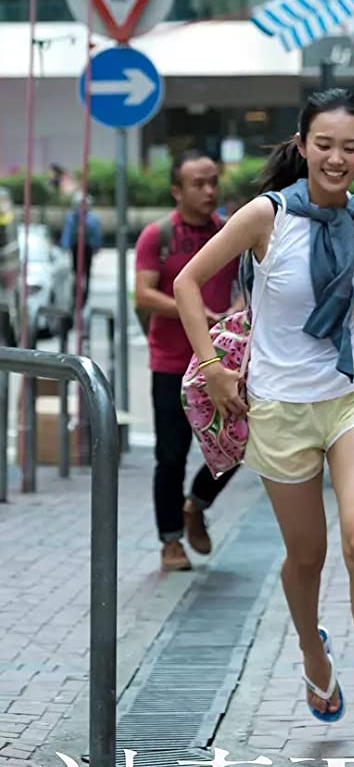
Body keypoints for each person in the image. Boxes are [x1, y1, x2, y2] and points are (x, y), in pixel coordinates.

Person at [173, 90, 354, 746]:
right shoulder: (266, 216)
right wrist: (212, 366)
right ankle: (313, 655)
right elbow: (187, 282)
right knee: (307, 553)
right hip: (278, 403)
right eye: (324, 144)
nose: (336, 157)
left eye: (350, 147)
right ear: (302, 145)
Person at [135, 152, 240, 574]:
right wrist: (193, 309)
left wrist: (232, 313)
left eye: (213, 181)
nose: (209, 191)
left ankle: (196, 504)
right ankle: (170, 542)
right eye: (198, 184)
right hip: (171, 362)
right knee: (171, 455)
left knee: (236, 445)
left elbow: (245, 285)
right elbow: (142, 294)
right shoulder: (157, 236)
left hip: (222, 364)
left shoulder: (230, 232)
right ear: (177, 190)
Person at [60, 193, 102, 306]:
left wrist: (96, 246)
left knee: (86, 271)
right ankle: (76, 293)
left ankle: (85, 295)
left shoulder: (92, 219)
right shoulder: (71, 217)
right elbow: (67, 232)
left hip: (87, 247)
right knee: (76, 271)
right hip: (76, 246)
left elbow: (96, 234)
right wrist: (65, 245)